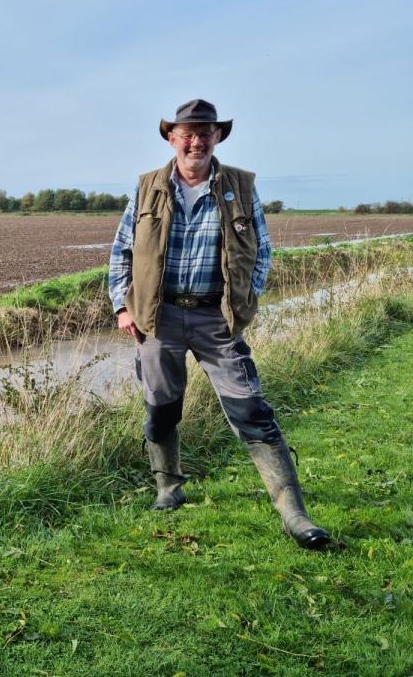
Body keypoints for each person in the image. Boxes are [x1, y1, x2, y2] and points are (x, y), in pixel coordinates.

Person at [108, 98, 330, 550]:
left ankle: (293, 512)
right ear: (171, 137)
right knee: (161, 408)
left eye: (205, 132)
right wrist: (122, 307)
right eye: (186, 132)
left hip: (216, 317)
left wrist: (246, 298)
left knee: (250, 407)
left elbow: (262, 250)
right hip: (159, 316)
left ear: (218, 137)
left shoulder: (241, 187)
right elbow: (122, 250)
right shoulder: (148, 186)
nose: (196, 140)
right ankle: (168, 488)